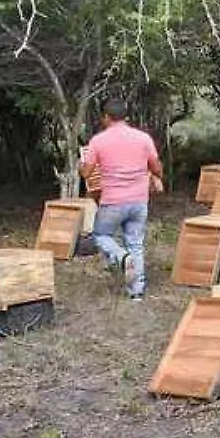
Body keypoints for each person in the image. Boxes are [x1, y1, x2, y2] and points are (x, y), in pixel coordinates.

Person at [79, 99, 163, 300]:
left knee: (100, 235)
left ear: (106, 117)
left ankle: (120, 256)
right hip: (139, 201)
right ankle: (137, 293)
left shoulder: (98, 141)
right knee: (135, 243)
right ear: (126, 117)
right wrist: (156, 178)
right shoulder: (143, 138)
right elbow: (156, 167)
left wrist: (80, 166)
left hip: (113, 201)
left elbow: (87, 173)